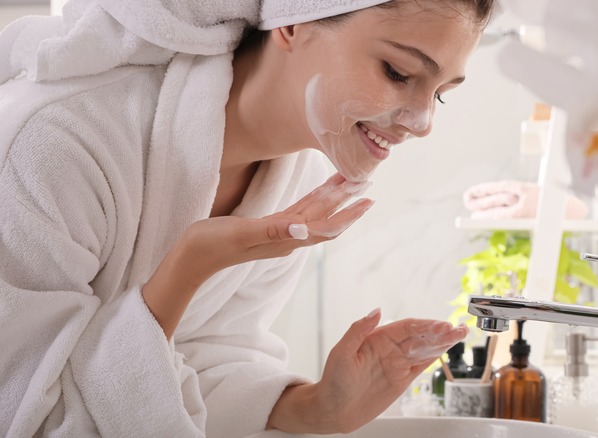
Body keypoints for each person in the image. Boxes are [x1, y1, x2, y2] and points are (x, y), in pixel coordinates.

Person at [0, 0, 495, 436]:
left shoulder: (297, 184)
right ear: (294, 23)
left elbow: (200, 360)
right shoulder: (59, 144)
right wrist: (190, 264)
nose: (423, 123)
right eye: (398, 73)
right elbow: (21, 414)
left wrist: (316, 408)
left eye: (440, 93)